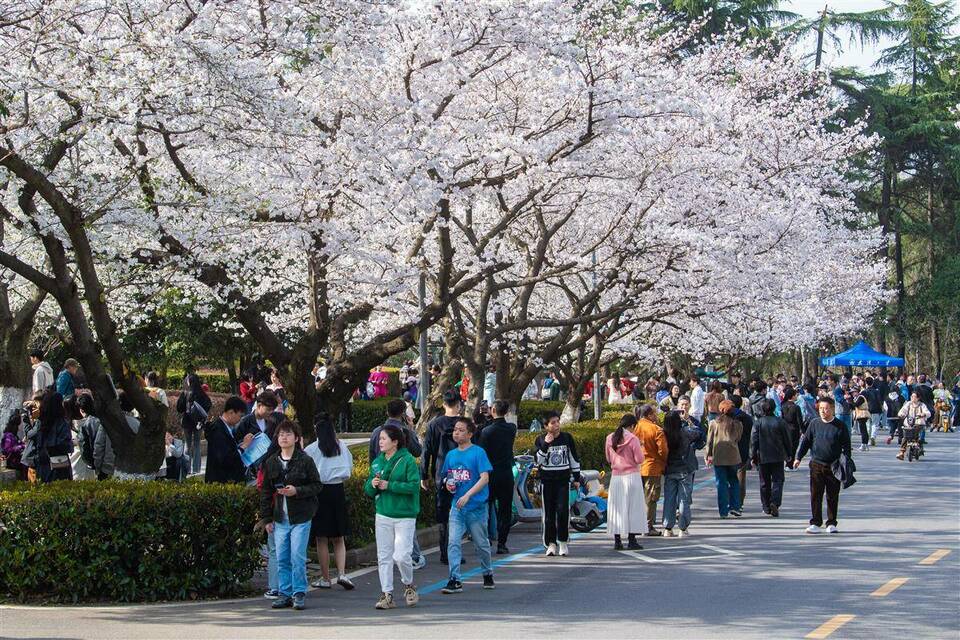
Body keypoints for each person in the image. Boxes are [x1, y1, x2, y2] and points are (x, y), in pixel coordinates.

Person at [259, 420, 322, 611]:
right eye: (280, 435)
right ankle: (284, 593)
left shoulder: (305, 460)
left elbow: (317, 485)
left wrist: (297, 491)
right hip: (280, 518)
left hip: (301, 517)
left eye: (288, 434)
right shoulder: (271, 462)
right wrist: (266, 519)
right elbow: (266, 492)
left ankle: (299, 592)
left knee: (297, 555)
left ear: (296, 438)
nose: (284, 438)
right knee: (282, 556)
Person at [365, 424, 421, 610]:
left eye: (383, 439)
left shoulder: (407, 461)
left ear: (395, 441)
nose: (379, 442)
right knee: (384, 556)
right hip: (383, 514)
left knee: (401, 555)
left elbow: (414, 486)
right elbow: (368, 489)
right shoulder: (377, 462)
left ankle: (408, 584)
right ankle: (387, 594)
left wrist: (390, 485)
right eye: (379, 439)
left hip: (405, 515)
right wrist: (371, 485)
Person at [439, 417, 495, 594]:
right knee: (453, 542)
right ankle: (454, 579)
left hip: (476, 507)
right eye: (455, 429)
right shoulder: (451, 455)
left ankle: (487, 572)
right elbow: (447, 476)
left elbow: (484, 478)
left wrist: (468, 495)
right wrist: (448, 484)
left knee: (481, 544)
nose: (456, 432)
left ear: (470, 434)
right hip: (457, 506)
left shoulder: (478, 453)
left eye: (461, 430)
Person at [304, 415, 355, 591]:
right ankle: (342, 573)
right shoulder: (341, 446)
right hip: (338, 490)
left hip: (320, 492)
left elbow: (306, 472)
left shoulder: (311, 449)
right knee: (338, 537)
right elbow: (350, 470)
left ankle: (326, 578)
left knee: (321, 538)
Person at [793, 396, 851, 534]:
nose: (823, 411)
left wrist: (846, 462)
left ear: (832, 409)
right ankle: (815, 522)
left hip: (834, 465)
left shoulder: (840, 426)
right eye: (821, 409)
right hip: (816, 464)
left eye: (826, 409)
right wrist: (798, 458)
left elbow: (847, 447)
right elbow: (806, 442)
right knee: (815, 495)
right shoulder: (814, 424)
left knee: (832, 495)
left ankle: (831, 522)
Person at [421, 390, 462, 564]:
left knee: (443, 514)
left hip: (441, 474)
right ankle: (456, 552)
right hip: (462, 474)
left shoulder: (434, 424)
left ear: (444, 404)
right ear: (459, 404)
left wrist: (424, 475)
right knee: (460, 514)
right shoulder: (464, 425)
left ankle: (444, 552)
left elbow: (426, 451)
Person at [535, 410, 581, 556]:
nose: (556, 425)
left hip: (563, 481)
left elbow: (574, 459)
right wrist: (545, 445)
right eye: (552, 423)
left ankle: (562, 541)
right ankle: (550, 543)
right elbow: (537, 461)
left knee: (562, 511)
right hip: (547, 481)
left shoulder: (567, 438)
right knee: (548, 515)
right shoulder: (540, 440)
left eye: (557, 421)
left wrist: (577, 478)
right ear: (546, 426)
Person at [477, 399, 517, 554]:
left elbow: (481, 451)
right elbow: (502, 423)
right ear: (506, 412)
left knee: (485, 506)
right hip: (506, 473)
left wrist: (486, 418)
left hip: (490, 474)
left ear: (493, 410)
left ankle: (485, 540)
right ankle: (502, 543)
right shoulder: (511, 428)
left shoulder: (487, 431)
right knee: (505, 509)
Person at [661, 397, 705, 537]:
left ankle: (667, 528)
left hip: (670, 470)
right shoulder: (686, 433)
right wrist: (688, 420)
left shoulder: (663, 435)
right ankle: (683, 528)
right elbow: (698, 433)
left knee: (669, 498)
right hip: (685, 469)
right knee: (683, 499)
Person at [605, 414, 645, 550]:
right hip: (632, 476)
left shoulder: (609, 438)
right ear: (632, 426)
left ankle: (617, 541)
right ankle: (632, 540)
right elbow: (639, 459)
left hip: (616, 478)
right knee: (633, 508)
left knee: (616, 509)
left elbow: (608, 459)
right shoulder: (633, 439)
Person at [750, 398, 792, 516]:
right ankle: (775, 501)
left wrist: (752, 455)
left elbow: (754, 441)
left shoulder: (758, 423)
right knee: (778, 480)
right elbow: (787, 439)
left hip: (762, 455)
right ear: (774, 408)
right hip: (778, 455)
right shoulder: (780, 422)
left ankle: (766, 506)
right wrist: (789, 454)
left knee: (764, 482)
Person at [633, 404, 668, 536]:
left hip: (636, 467)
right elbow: (663, 450)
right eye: (654, 413)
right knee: (651, 498)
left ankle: (636, 525)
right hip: (652, 467)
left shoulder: (635, 427)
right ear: (648, 415)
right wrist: (664, 462)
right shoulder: (656, 429)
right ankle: (648, 525)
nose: (656, 415)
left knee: (638, 497)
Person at [204, 396, 254, 483]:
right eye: (240, 416)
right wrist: (243, 446)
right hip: (221, 481)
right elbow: (225, 458)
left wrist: (241, 445)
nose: (240, 420)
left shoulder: (225, 427)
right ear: (231, 412)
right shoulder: (218, 429)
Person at [706, 401, 743, 518]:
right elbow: (738, 439)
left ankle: (723, 511)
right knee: (734, 481)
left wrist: (708, 455)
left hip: (719, 456)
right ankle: (735, 507)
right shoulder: (737, 424)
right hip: (733, 456)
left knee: (721, 483)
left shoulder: (714, 423)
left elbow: (709, 441)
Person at [30, 391, 74, 483]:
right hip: (60, 465)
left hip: (43, 466)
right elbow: (65, 445)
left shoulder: (41, 423)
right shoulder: (62, 423)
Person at [177, 374, 212, 475]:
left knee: (187, 445)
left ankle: (187, 469)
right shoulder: (202, 393)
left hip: (187, 422)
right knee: (197, 445)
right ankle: (196, 469)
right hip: (198, 423)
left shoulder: (185, 393)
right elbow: (208, 405)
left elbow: (179, 408)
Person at [896, 392, 931, 460]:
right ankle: (901, 453)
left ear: (918, 398)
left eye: (914, 397)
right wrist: (901, 414)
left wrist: (923, 414)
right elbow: (902, 411)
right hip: (909, 424)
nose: (912, 398)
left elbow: (928, 413)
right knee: (905, 437)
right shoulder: (908, 404)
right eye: (912, 396)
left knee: (919, 436)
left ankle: (919, 446)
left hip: (919, 424)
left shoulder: (922, 405)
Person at [780, 387, 803, 468]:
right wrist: (803, 430)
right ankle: (790, 464)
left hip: (785, 429)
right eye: (796, 395)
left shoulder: (783, 406)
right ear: (792, 396)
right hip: (794, 429)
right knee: (793, 447)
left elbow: (782, 418)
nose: (797, 396)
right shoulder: (796, 407)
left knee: (786, 446)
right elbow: (800, 420)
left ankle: (787, 462)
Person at [2, 413, 27, 480]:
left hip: (15, 460)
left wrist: (22, 443)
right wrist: (22, 446)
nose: (20, 428)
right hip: (12, 462)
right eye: (19, 425)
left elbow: (16, 444)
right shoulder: (9, 435)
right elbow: (8, 449)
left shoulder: (13, 435)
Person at [850, 385, 871, 452]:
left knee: (863, 430)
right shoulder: (857, 398)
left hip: (862, 415)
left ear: (857, 391)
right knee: (863, 430)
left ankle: (864, 444)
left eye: (854, 392)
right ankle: (865, 445)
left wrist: (849, 401)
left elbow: (856, 405)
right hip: (860, 414)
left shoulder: (860, 397)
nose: (853, 394)